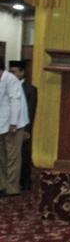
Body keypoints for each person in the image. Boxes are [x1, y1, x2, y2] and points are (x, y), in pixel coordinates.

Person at [0, 60, 29, 197]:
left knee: (12, 157)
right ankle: (3, 185)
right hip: (2, 123)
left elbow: (15, 101)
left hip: (14, 124)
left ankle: (12, 188)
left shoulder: (10, 79)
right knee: (2, 156)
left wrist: (13, 123)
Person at [9, 60, 38, 191]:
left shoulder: (30, 90)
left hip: (23, 128)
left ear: (22, 72)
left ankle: (25, 183)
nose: (12, 74)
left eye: (14, 72)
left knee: (24, 155)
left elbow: (31, 111)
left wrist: (27, 130)